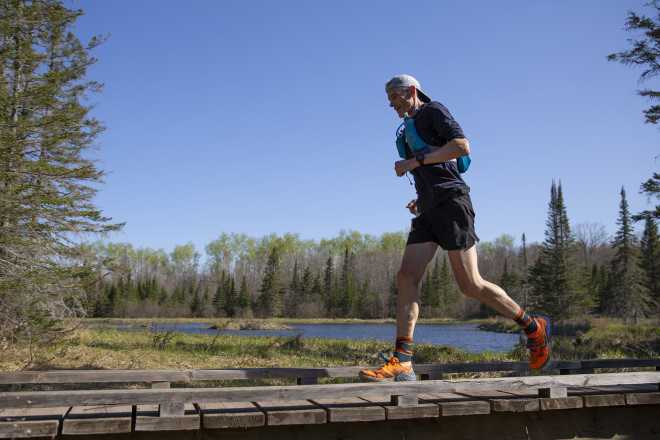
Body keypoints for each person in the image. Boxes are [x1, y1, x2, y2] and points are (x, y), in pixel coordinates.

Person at [358, 75, 551, 382]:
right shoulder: (408, 126)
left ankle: (534, 328)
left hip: (452, 204)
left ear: (411, 91)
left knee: (470, 285)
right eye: (388, 98)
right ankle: (402, 361)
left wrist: (414, 162)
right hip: (429, 208)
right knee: (406, 276)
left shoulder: (434, 110)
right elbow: (435, 167)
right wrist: (420, 199)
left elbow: (461, 146)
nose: (391, 103)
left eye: (395, 96)